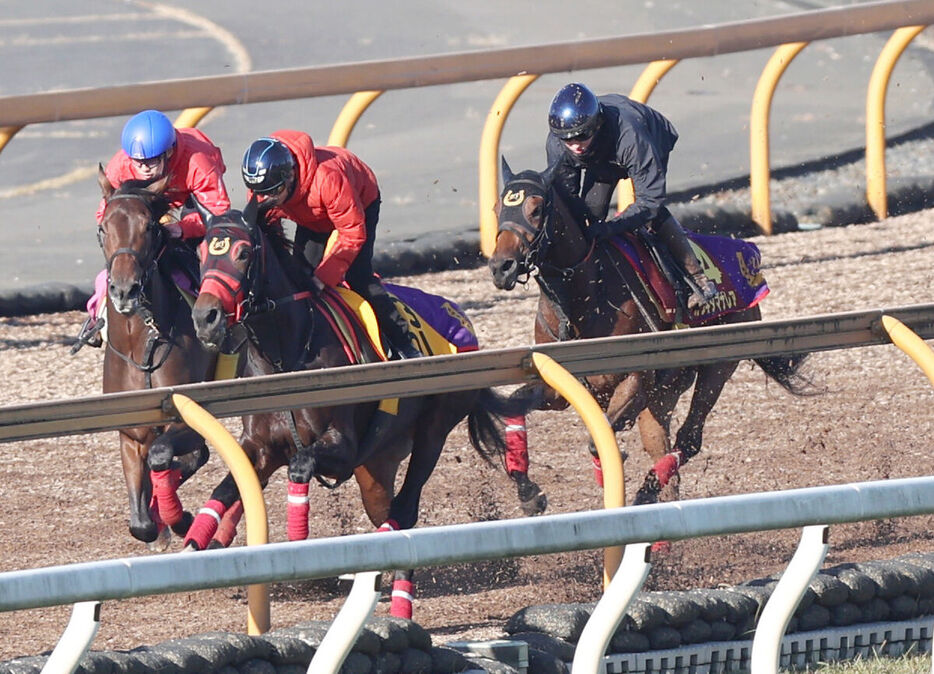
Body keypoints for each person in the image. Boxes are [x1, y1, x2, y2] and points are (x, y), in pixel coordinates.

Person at [240, 131, 421, 359]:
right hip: (311, 216)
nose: (269, 200)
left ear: (290, 176)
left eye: (274, 192)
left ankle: (405, 344)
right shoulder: (265, 189)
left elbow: (352, 233)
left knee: (358, 278)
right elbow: (266, 236)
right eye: (261, 194)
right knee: (297, 278)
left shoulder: (328, 179)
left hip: (358, 202)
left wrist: (324, 277)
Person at [546, 82, 719, 309]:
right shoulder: (559, 144)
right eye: (569, 139)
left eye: (582, 135)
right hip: (601, 155)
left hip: (649, 136)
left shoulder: (631, 137)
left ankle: (698, 278)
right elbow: (566, 201)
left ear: (596, 126)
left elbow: (651, 202)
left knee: (651, 218)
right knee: (588, 214)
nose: (576, 145)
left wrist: (611, 227)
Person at [74, 109, 231, 349]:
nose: (145, 169)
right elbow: (103, 216)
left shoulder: (199, 161)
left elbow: (218, 214)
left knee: (202, 257)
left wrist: (182, 229)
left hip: (193, 201)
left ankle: (220, 317)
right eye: (139, 162)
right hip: (146, 208)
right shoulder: (120, 166)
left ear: (168, 152)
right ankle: (95, 316)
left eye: (152, 161)